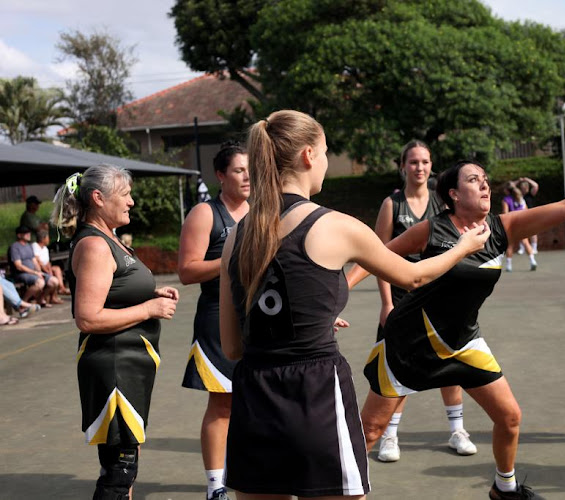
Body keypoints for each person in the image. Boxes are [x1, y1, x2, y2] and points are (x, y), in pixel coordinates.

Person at [346, 152, 565, 500]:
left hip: (463, 342)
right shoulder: (434, 229)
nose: (484, 184)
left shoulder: (502, 229)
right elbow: (377, 255)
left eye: (485, 178)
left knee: (510, 417)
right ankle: (336, 487)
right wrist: (334, 298)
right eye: (473, 179)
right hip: (410, 341)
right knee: (372, 429)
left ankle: (505, 488)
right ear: (453, 194)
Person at [218, 110, 490, 499]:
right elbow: (413, 276)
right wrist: (463, 246)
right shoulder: (333, 225)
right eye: (327, 152)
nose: (327, 162)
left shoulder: (236, 236)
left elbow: (232, 346)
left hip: (254, 396)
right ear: (309, 156)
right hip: (315, 391)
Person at [52, 165, 180, 499]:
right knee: (119, 470)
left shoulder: (110, 239)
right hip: (113, 368)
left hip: (129, 366)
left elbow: (116, 292)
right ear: (98, 197)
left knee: (125, 461)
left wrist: (152, 294)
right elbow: (88, 318)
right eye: (125, 195)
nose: (132, 202)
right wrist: (148, 309)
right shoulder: (94, 246)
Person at [370, 140, 477, 462]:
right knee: (396, 369)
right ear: (403, 166)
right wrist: (386, 303)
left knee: (450, 364)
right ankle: (390, 436)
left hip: (439, 298)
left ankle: (457, 430)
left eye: (425, 162)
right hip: (402, 299)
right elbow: (378, 256)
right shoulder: (393, 204)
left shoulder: (442, 203)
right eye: (413, 162)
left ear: (432, 166)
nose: (419, 167)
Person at [178, 141, 249, 500]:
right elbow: (187, 271)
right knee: (223, 405)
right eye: (239, 170)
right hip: (217, 319)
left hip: (260, 320)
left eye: (251, 169)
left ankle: (250, 473)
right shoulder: (206, 214)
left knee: (257, 403)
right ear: (221, 175)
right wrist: (232, 260)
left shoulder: (262, 210)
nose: (248, 176)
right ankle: (215, 486)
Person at [8, 225, 59, 304]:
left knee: (54, 281)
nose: (29, 235)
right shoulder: (15, 247)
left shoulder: (29, 246)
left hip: (34, 273)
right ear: (19, 235)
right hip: (21, 274)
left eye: (29, 233)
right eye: (25, 233)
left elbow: (34, 261)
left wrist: (39, 272)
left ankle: (40, 299)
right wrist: (35, 272)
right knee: (40, 283)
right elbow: (19, 266)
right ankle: (23, 302)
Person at [500, 182, 537, 272]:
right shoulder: (521, 199)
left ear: (507, 191)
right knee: (525, 242)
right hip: (522, 223)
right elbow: (527, 211)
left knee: (510, 245)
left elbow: (505, 213)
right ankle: (533, 261)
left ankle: (509, 266)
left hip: (512, 224)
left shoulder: (506, 199)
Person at [32, 229, 69, 301]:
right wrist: (47, 270)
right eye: (47, 238)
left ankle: (61, 288)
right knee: (53, 275)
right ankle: (54, 295)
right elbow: (38, 260)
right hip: (38, 268)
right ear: (43, 239)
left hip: (45, 266)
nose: (49, 240)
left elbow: (48, 262)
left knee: (57, 269)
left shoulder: (45, 248)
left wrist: (49, 269)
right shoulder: (35, 246)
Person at [515, 177, 539, 255]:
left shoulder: (530, 194)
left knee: (533, 232)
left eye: (525, 188)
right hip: (521, 214)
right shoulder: (519, 195)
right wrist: (519, 181)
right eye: (522, 188)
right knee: (521, 232)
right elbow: (511, 187)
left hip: (531, 214)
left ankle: (534, 248)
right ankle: (522, 248)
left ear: (528, 188)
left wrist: (527, 179)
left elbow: (536, 186)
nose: (524, 189)